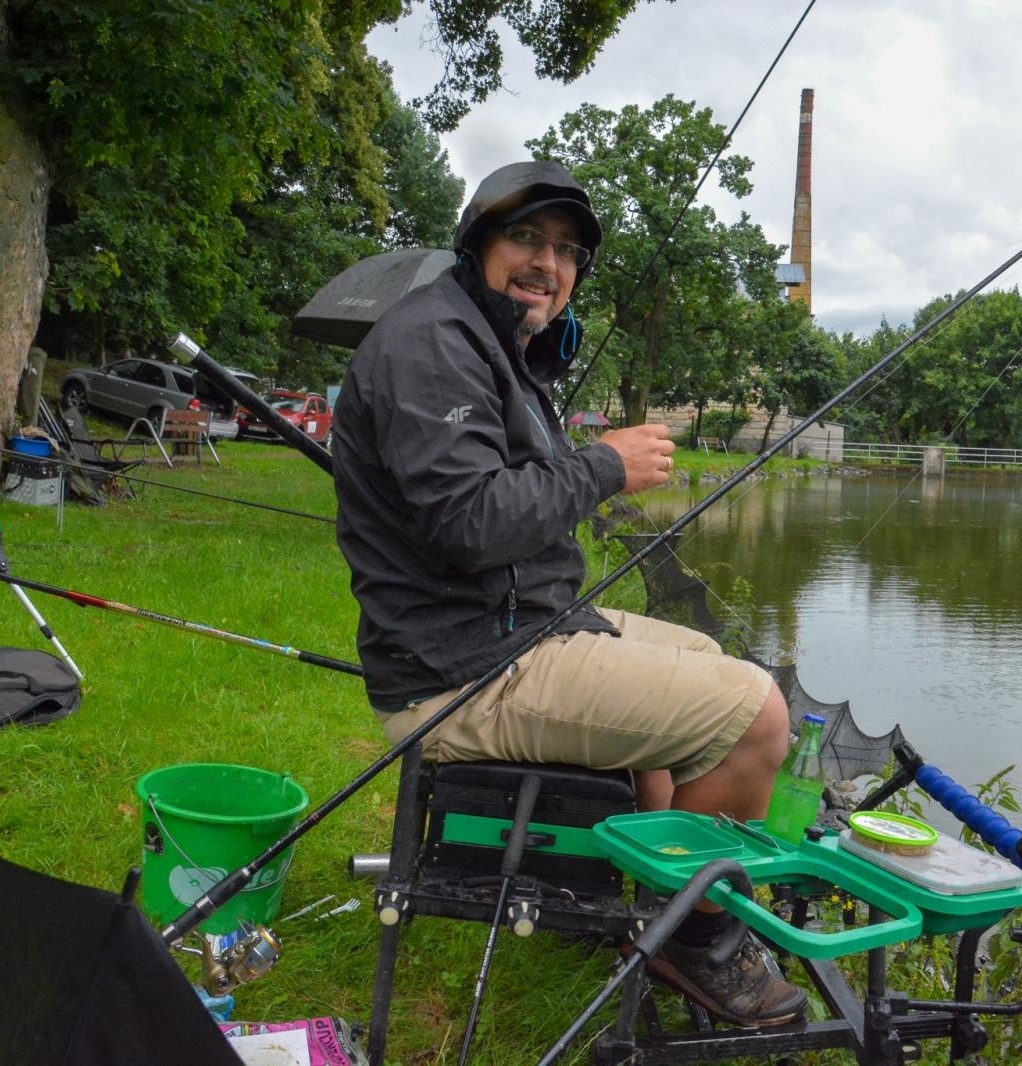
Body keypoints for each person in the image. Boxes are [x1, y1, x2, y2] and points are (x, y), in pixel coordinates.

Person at [330, 160, 805, 1027]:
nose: (548, 263)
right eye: (526, 239)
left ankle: (651, 906)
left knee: (703, 658)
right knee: (757, 715)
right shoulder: (433, 344)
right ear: (478, 244)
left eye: (566, 251)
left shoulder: (487, 344)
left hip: (511, 627)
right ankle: (695, 944)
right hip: (461, 667)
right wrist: (603, 467)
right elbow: (470, 522)